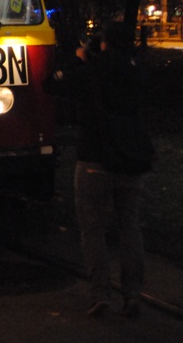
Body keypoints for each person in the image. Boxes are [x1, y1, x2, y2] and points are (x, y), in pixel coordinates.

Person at [46, 21, 155, 318]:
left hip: (95, 159)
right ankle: (133, 294)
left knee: (93, 230)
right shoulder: (136, 70)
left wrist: (78, 59)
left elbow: (52, 84)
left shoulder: (92, 71)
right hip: (132, 159)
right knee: (130, 227)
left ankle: (100, 294)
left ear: (103, 43)